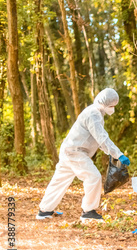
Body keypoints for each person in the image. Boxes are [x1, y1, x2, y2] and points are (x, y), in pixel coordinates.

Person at [36, 88, 130, 222]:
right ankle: (88, 212)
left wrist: (112, 152)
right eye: (111, 106)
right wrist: (118, 155)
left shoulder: (96, 112)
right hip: (75, 152)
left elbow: (97, 139)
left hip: (69, 150)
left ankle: (44, 211)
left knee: (59, 180)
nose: (112, 109)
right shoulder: (93, 115)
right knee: (93, 177)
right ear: (104, 103)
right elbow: (102, 138)